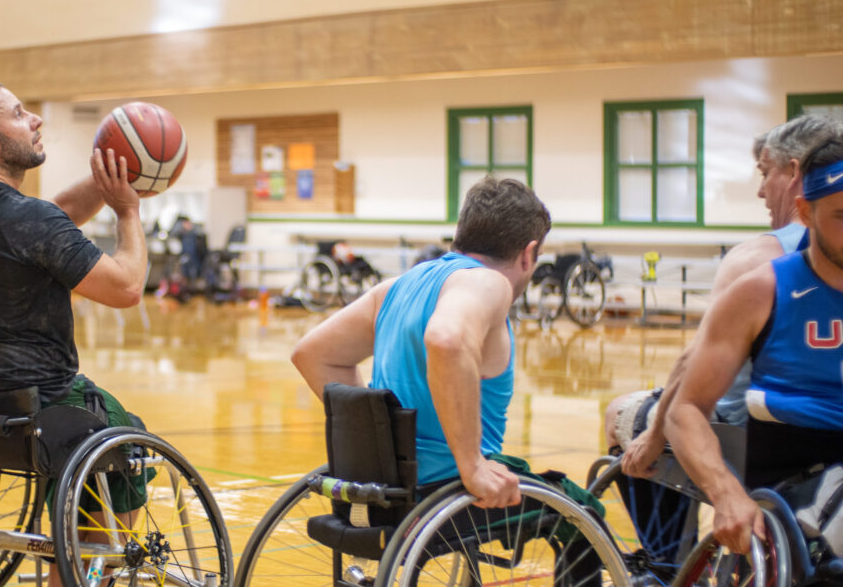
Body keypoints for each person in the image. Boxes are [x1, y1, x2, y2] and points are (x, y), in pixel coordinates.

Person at [0, 83, 148, 584]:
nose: (35, 119)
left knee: (89, 431)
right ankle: (73, 570)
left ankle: (64, 548)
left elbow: (50, 222)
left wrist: (103, 181)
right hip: (37, 406)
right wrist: (129, 212)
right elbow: (127, 288)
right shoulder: (28, 219)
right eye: (18, 113)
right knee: (127, 438)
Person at [605, 115, 842, 478]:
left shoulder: (756, 261)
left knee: (621, 413)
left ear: (794, 172)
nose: (761, 191)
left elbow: (690, 363)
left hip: (750, 431)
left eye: (765, 173)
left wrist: (655, 434)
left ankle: (664, 538)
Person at [291, 176, 551, 508]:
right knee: (584, 510)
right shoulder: (490, 282)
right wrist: (471, 465)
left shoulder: (396, 287)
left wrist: (377, 443)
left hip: (384, 485)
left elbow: (312, 354)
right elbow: (446, 340)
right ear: (528, 255)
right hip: (447, 491)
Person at [665, 134, 843, 554]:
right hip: (796, 479)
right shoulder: (760, 292)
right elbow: (686, 410)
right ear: (806, 212)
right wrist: (726, 492)